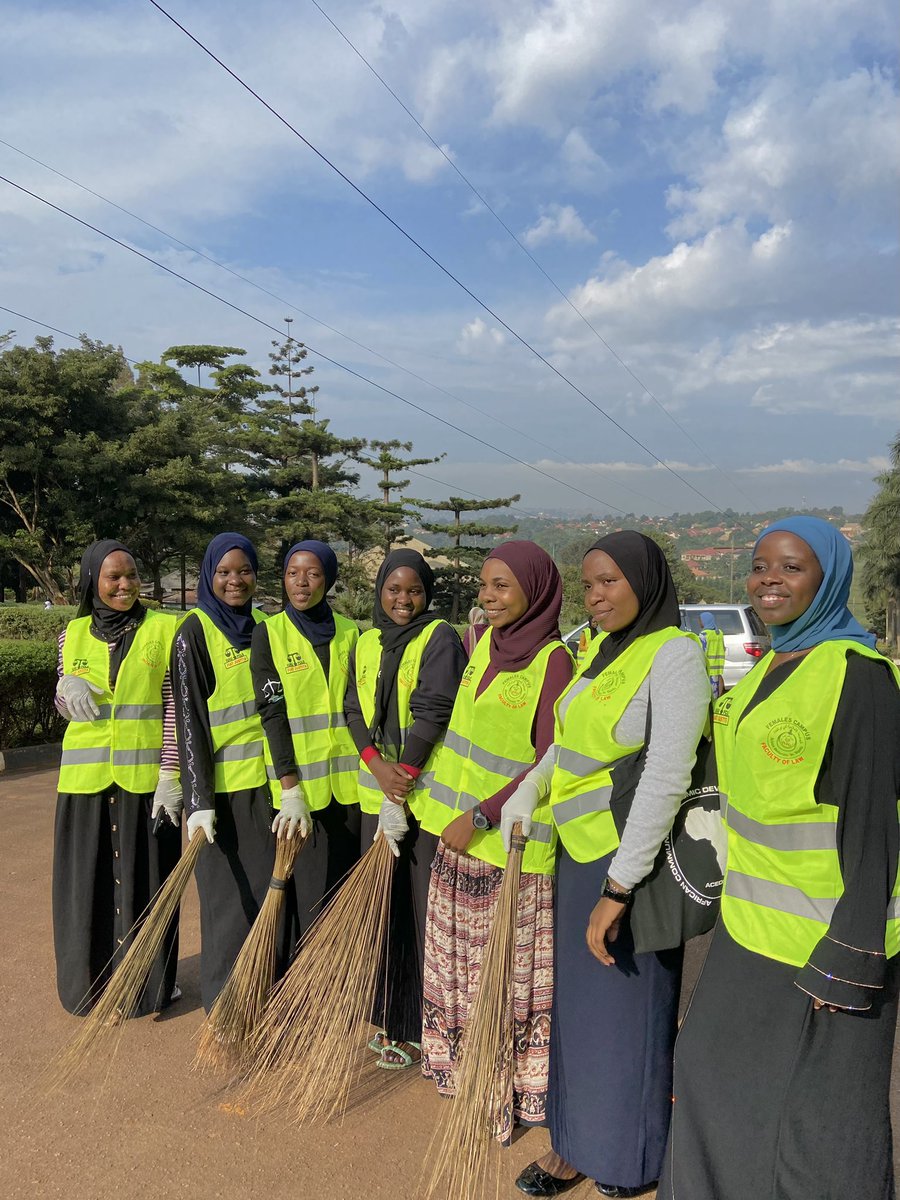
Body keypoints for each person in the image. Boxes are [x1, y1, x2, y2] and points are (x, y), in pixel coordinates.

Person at [659, 517, 900, 1200]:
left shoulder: (859, 678)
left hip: (823, 947)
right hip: (750, 932)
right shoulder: (772, 664)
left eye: (792, 568)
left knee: (816, 1129)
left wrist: (850, 959)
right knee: (710, 1077)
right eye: (761, 565)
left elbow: (874, 827)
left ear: (827, 581)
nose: (769, 579)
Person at [510, 531, 709, 1199]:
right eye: (588, 584)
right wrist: (526, 794)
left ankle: (627, 1157)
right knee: (580, 1015)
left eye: (610, 582)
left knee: (629, 1017)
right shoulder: (597, 651)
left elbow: (667, 775)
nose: (595, 596)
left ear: (645, 583)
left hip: (631, 867)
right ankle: (573, 1142)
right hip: (576, 855)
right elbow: (562, 746)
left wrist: (619, 887)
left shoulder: (673, 655)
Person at [420, 541, 573, 1132]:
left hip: (509, 853)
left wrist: (480, 817)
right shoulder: (481, 644)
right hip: (457, 843)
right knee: (459, 970)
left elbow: (546, 763)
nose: (489, 596)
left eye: (503, 586)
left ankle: (501, 1092)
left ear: (535, 591)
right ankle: (462, 1073)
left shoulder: (552, 661)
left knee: (500, 981)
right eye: (484, 585)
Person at [344, 548, 466, 1069]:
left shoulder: (439, 637)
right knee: (385, 912)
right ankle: (389, 1017)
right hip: (382, 793)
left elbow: (434, 710)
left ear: (427, 594)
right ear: (379, 592)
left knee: (419, 913)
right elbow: (351, 706)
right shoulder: (365, 639)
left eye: (413, 591)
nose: (403, 600)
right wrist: (375, 766)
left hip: (421, 800)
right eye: (393, 589)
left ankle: (420, 1026)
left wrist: (404, 779)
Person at [52, 539, 182, 1016]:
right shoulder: (72, 634)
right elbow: (64, 705)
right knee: (87, 884)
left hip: (145, 780)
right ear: (93, 580)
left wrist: (172, 770)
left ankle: (150, 985)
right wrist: (65, 688)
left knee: (147, 882)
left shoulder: (165, 629)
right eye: (114, 577)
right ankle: (91, 983)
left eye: (131, 575)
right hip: (84, 783)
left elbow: (174, 706)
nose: (125, 585)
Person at [171, 533, 276, 1011]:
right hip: (222, 801)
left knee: (264, 900)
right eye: (224, 573)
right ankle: (225, 1007)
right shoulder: (194, 631)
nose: (236, 581)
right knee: (226, 906)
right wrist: (198, 802)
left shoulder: (264, 626)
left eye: (244, 571)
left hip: (267, 791)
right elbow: (189, 718)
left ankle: (261, 998)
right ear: (209, 577)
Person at [250, 540, 361, 946]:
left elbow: (360, 706)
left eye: (313, 574)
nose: (301, 582)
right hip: (300, 793)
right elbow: (272, 713)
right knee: (307, 894)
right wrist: (289, 785)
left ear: (328, 579)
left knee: (344, 894)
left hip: (348, 789)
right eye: (293, 572)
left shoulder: (351, 633)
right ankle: (302, 985)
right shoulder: (270, 634)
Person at [698, 610, 725, 698]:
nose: (699, 622)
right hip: (718, 665)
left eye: (700, 620)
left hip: (709, 666)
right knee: (719, 682)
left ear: (705, 620)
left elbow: (701, 650)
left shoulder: (704, 634)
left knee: (710, 694)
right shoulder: (719, 633)